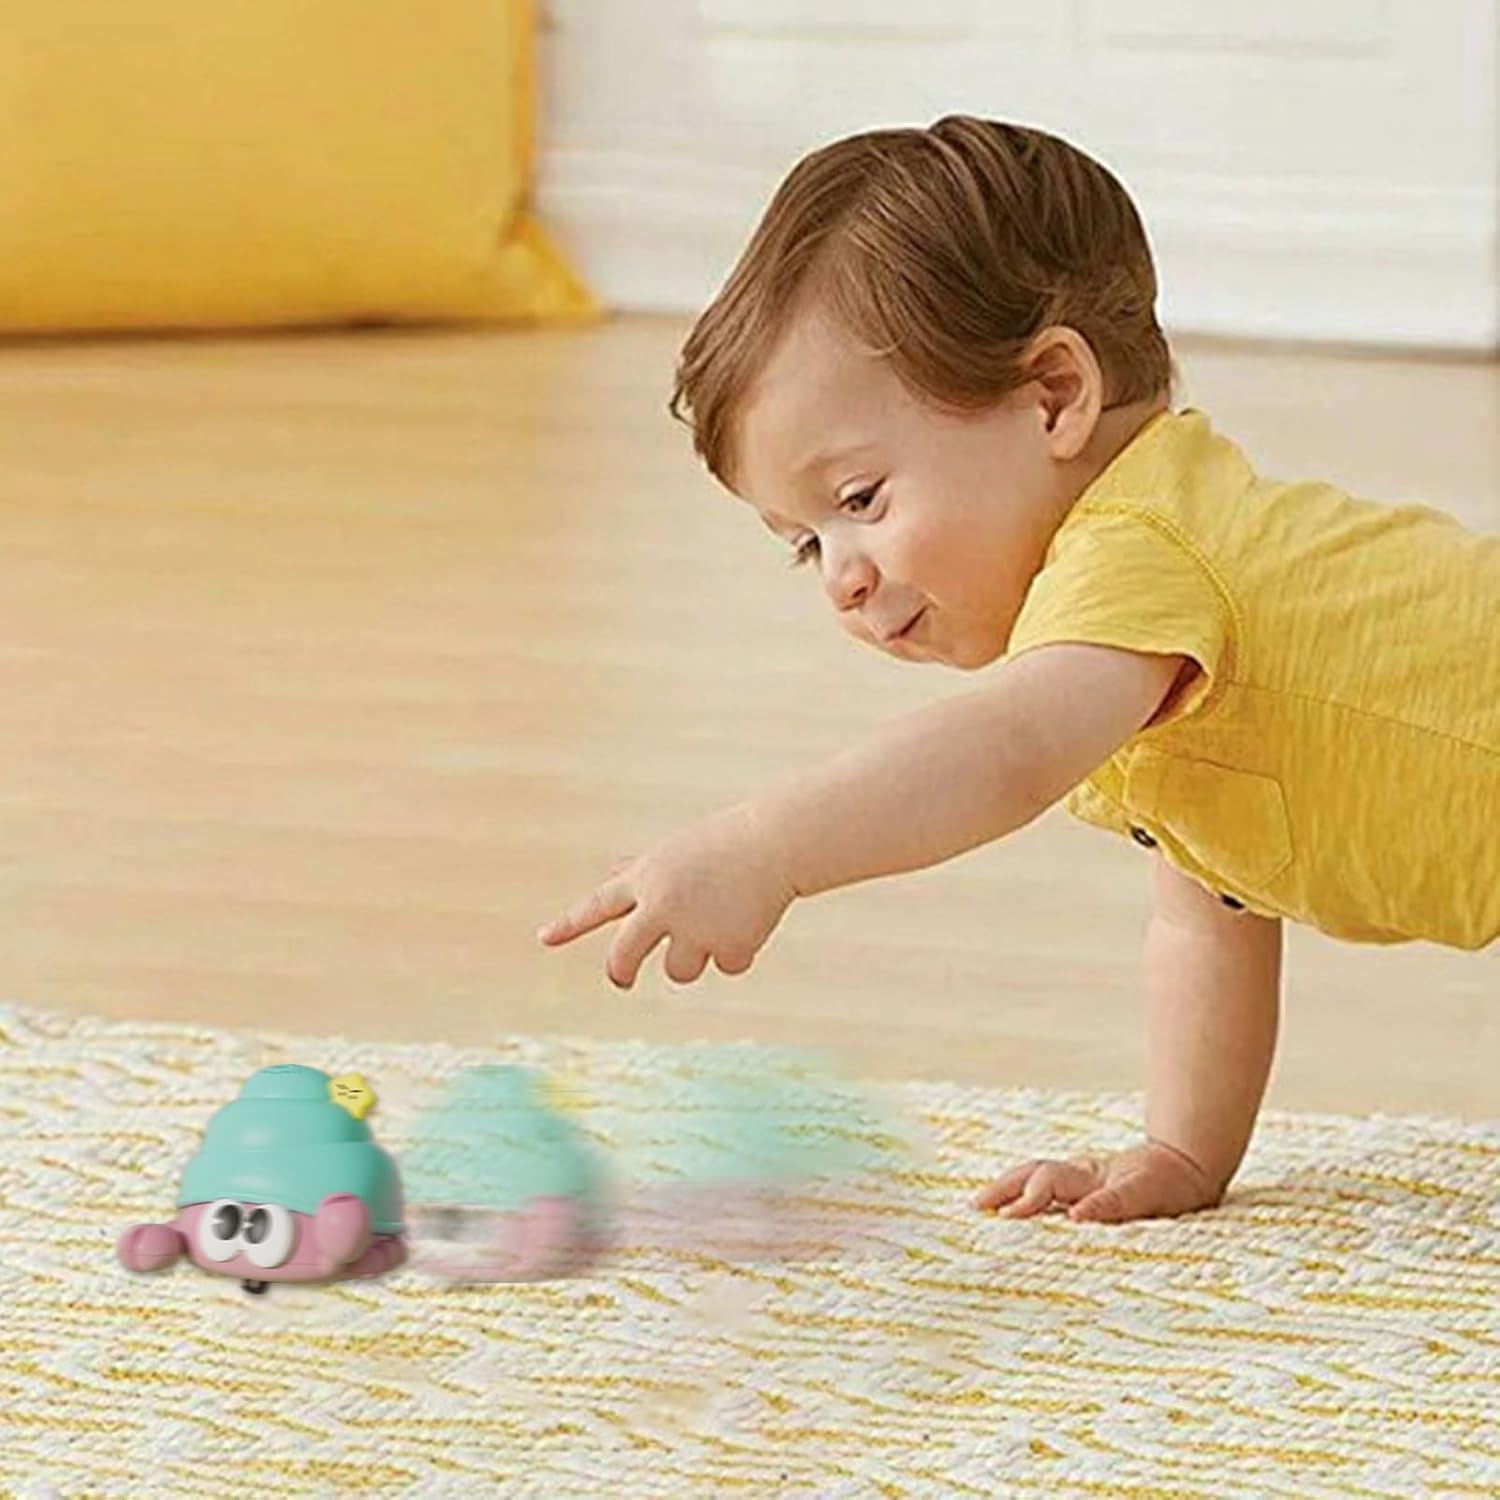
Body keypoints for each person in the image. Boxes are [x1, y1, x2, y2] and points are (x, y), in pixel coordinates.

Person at [537, 116, 1499, 1225]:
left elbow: (1004, 753)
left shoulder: (1144, 548)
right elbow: (1214, 908)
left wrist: (768, 848)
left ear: (1052, 395)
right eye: (806, 544)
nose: (841, 578)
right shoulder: (1152, 643)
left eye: (859, 501)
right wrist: (1182, 1154)